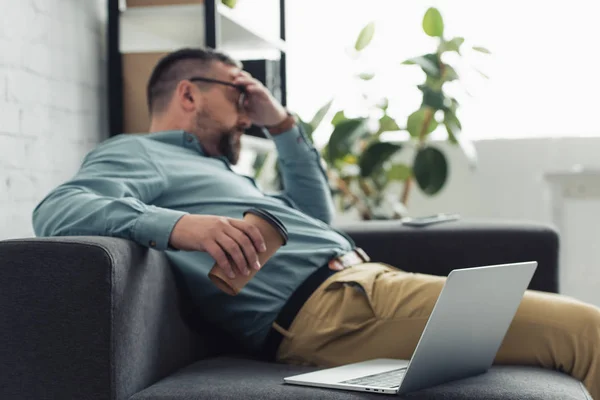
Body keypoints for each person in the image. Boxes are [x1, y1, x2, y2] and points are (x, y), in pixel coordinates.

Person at [32, 48, 599, 397]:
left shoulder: (221, 172)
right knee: (588, 333)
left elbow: (316, 213)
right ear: (188, 93)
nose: (248, 104)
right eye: (238, 88)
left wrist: (280, 125)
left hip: (366, 289)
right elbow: (58, 209)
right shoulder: (140, 152)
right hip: (338, 309)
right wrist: (181, 226)